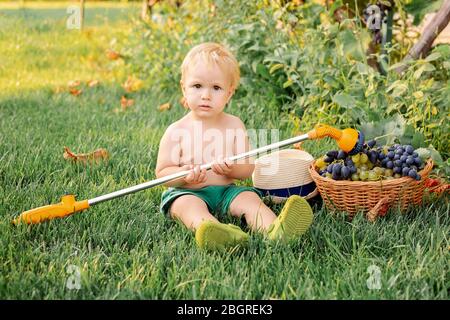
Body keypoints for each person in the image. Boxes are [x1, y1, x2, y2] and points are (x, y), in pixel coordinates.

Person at [155, 42, 313, 251]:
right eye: (197, 86)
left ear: (229, 94)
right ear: (183, 88)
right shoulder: (176, 131)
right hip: (187, 192)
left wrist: (231, 169)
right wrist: (183, 174)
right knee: (188, 208)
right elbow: (162, 172)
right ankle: (216, 232)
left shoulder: (234, 125)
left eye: (216, 88)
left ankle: (275, 230)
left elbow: (247, 168)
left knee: (249, 199)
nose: (206, 95)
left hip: (226, 191)